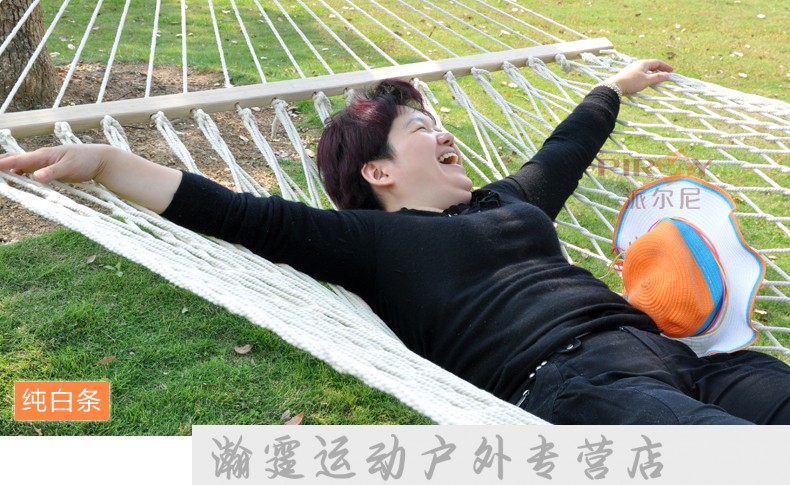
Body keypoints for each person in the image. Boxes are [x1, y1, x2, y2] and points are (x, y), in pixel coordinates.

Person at [1, 59, 789, 424]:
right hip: (575, 386)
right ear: (377, 170)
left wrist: (612, 87)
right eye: (420, 128)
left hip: (685, 360)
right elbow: (235, 213)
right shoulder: (370, 242)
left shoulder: (508, 202)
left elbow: (565, 148)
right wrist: (106, 163)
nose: (445, 134)